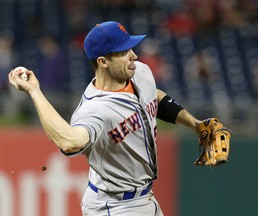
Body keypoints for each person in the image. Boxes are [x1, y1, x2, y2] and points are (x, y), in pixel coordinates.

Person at [9, 21, 203, 216]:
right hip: (114, 206)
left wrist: (196, 125)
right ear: (102, 62)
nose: (133, 56)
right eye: (123, 52)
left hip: (146, 198)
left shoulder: (140, 72)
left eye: (130, 48)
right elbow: (69, 142)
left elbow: (154, 97)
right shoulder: (95, 109)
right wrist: (35, 91)